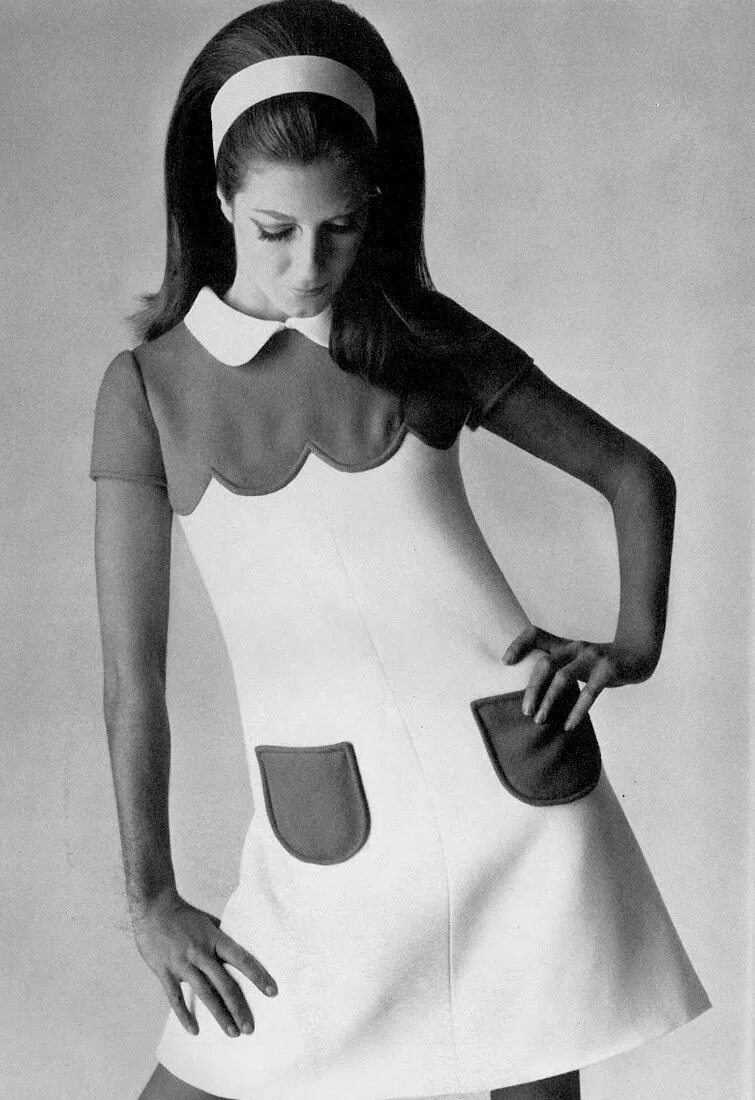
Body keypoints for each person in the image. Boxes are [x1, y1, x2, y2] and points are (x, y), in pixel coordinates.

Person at [89, 2, 711, 1098]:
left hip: (517, 808)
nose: (308, 264)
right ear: (220, 201)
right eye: (275, 230)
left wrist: (632, 645)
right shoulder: (147, 390)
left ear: (372, 206)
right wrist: (150, 898)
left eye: (339, 227)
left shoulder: (420, 335)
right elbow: (133, 675)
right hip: (324, 837)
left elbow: (633, 474)